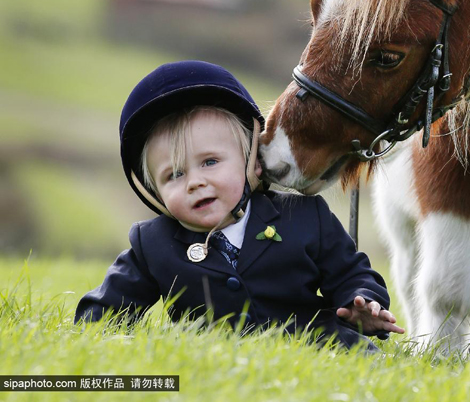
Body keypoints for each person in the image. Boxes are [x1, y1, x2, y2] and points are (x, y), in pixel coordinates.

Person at [75, 60, 403, 350]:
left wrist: (362, 303)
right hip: (209, 360)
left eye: (210, 162)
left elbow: (350, 273)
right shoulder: (152, 244)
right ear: (154, 191)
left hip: (321, 344)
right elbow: (105, 312)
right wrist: (106, 336)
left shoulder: (305, 216)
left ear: (253, 163)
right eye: (173, 174)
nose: (194, 182)